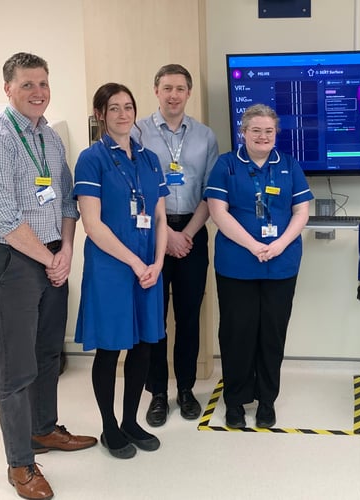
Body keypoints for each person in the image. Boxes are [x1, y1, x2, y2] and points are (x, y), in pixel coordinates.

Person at [0, 52, 96, 500]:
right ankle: (20, 464)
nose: (38, 92)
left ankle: (44, 429)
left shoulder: (49, 137)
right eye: (27, 84)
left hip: (50, 257)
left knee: (47, 355)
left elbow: (65, 200)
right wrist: (49, 257)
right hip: (14, 260)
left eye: (43, 83)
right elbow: (4, 219)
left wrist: (66, 250)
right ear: (8, 88)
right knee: (16, 367)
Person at [73, 83, 169, 459]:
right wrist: (134, 261)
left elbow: (159, 216)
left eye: (128, 107)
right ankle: (110, 426)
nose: (123, 114)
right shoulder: (91, 158)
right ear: (101, 114)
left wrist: (158, 262)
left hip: (149, 264)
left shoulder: (148, 159)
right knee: (112, 348)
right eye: (114, 108)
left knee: (145, 344)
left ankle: (131, 420)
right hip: (112, 265)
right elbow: (92, 224)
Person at [205, 104, 313, 429]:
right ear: (244, 132)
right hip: (237, 265)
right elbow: (218, 212)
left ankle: (267, 400)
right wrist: (252, 245)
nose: (263, 136)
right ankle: (236, 401)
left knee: (272, 334)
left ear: (276, 133)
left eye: (268, 130)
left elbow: (301, 211)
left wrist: (279, 244)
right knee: (237, 333)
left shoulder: (289, 166)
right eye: (256, 130)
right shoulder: (226, 165)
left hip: (281, 265)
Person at [136, 64, 219, 427]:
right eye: (167, 87)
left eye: (180, 89)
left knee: (187, 317)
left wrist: (186, 234)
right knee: (155, 317)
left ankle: (185, 389)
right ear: (156, 90)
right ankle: (157, 393)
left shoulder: (204, 136)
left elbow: (212, 192)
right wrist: (165, 235)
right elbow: (136, 189)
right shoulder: (137, 132)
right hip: (152, 232)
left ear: (188, 93)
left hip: (193, 231)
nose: (173, 95)